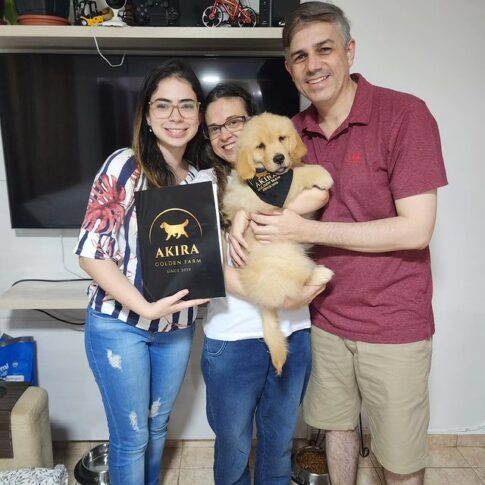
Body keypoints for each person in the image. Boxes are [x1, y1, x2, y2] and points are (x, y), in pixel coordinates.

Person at [248, 3, 448, 485]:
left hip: (393, 322)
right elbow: (262, 206)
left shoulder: (404, 115)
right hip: (325, 319)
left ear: (349, 51)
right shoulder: (291, 134)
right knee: (336, 430)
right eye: (300, 56)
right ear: (289, 69)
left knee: (399, 459)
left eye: (324, 49)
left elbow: (416, 229)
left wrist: (309, 232)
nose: (313, 65)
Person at [74, 60, 209, 485]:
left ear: (199, 114)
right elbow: (92, 254)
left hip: (177, 328)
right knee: (131, 438)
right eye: (163, 105)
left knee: (157, 427)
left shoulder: (199, 180)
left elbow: (201, 255)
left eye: (186, 105)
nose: (175, 116)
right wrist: (146, 309)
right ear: (147, 116)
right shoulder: (125, 166)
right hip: (120, 325)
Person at [199, 83, 329, 485]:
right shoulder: (200, 183)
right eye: (215, 127)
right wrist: (282, 297)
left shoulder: (283, 168)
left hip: (293, 331)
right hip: (232, 340)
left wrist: (248, 212)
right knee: (234, 446)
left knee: (279, 444)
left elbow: (319, 193)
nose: (226, 133)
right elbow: (206, 267)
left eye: (235, 121)